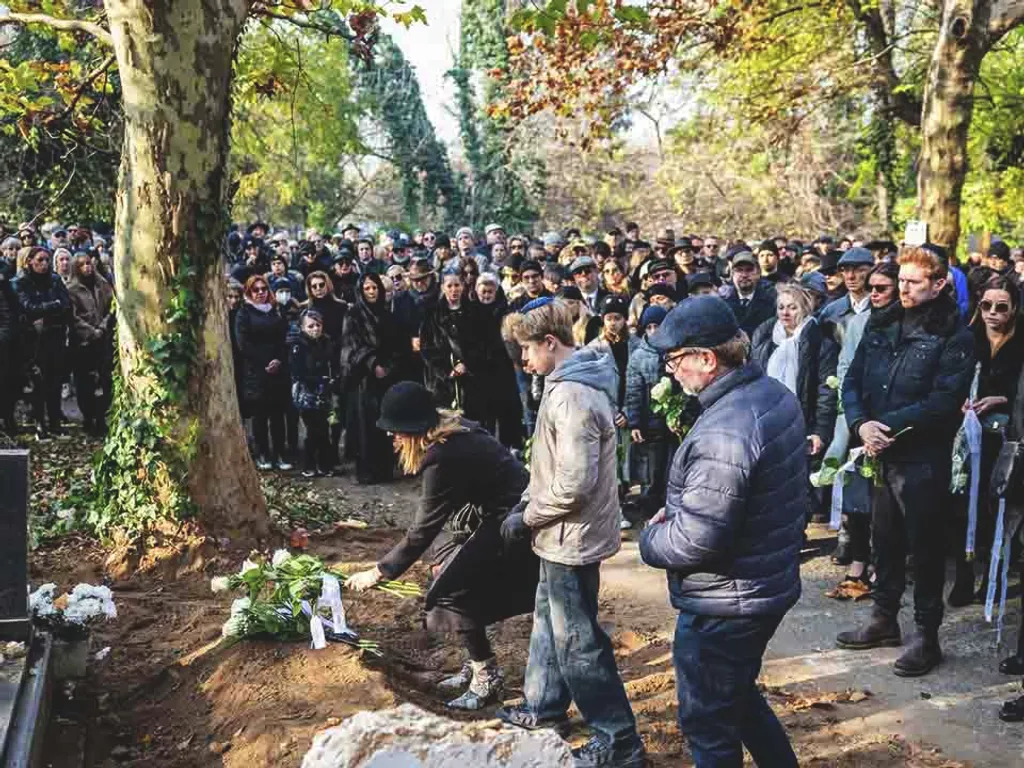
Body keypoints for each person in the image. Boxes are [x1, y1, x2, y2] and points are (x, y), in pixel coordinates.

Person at [639, 295, 804, 768]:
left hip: (726, 603)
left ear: (707, 359)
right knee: (737, 700)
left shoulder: (727, 429)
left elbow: (697, 538)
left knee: (709, 723)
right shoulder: (770, 394)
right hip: (760, 587)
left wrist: (651, 539)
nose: (671, 373)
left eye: (675, 362)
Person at [497, 299, 646, 768]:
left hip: (571, 536)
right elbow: (551, 468)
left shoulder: (572, 396)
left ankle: (618, 740)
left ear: (550, 343)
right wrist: (528, 503)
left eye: (526, 350)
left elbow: (575, 483)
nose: (523, 361)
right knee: (549, 619)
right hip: (559, 531)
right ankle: (544, 707)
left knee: (578, 641)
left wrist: (528, 516)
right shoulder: (564, 385)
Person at [347, 382, 537, 710]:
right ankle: (477, 664)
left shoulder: (442, 457)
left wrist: (379, 571)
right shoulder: (452, 430)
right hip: (494, 513)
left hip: (513, 522)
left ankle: (486, 677)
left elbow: (421, 530)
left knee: (448, 589)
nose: (391, 438)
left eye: (395, 432)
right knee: (444, 565)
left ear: (414, 430)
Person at [836, 246, 975, 677]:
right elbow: (853, 380)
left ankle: (926, 636)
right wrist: (861, 425)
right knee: (885, 540)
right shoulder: (882, 321)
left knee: (926, 547)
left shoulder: (955, 333)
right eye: (902, 279)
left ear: (939, 285)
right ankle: (883, 620)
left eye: (914, 282)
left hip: (922, 457)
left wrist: (885, 426)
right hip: (879, 452)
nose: (904, 288)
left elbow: (944, 401)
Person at [947, 275, 1024, 606]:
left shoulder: (1021, 342)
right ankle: (964, 578)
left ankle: (994, 577)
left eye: (1001, 307)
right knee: (962, 508)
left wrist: (1000, 399)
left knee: (1000, 510)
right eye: (986, 305)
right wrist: (961, 402)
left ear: (1014, 309)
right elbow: (951, 380)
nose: (993, 313)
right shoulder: (968, 338)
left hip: (1007, 438)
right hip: (967, 436)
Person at [827, 262, 900, 585]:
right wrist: (855, 417)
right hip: (859, 420)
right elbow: (845, 369)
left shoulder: (907, 323)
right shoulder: (859, 323)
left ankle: (882, 561)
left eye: (882, 288)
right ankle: (858, 558)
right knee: (857, 492)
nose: (874, 294)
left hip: (892, 423)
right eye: (871, 288)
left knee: (886, 500)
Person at [751, 283, 839, 508]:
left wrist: (819, 431)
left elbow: (825, 392)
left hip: (800, 421)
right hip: (768, 422)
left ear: (805, 309)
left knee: (797, 486)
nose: (785, 313)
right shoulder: (765, 338)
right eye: (781, 307)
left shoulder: (820, 343)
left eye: (793, 307)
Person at [339, 273, 408, 485]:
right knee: (364, 426)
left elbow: (399, 345)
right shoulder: (353, 315)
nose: (371, 292)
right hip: (363, 379)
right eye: (367, 288)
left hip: (387, 378)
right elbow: (351, 347)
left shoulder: (388, 315)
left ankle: (385, 469)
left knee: (385, 424)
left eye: (374, 288)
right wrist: (372, 363)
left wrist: (388, 366)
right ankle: (366, 471)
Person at [236, 275, 292, 470]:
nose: (260, 293)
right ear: (249, 292)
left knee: (278, 416)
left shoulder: (276, 312)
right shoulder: (244, 313)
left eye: (263, 289)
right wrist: (264, 362)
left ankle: (280, 453)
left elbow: (284, 338)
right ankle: (262, 453)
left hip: (278, 370)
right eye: (256, 290)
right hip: (256, 371)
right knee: (260, 416)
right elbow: (243, 343)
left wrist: (278, 360)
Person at [14, 246, 70, 439]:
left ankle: (55, 423)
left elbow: (65, 305)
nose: (44, 264)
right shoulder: (21, 282)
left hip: (55, 335)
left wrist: (47, 309)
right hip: (33, 340)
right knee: (39, 383)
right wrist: (51, 307)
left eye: (47, 260)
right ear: (30, 261)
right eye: (40, 260)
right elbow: (28, 308)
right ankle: (40, 425)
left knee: (55, 381)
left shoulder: (54, 280)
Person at [420, 270, 490, 422]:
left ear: (463, 286)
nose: (454, 290)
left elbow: (483, 344)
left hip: (472, 380)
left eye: (457, 285)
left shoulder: (475, 311)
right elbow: (426, 348)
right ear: (443, 288)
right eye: (449, 285)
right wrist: (446, 370)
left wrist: (467, 364)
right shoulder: (431, 314)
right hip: (442, 383)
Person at [625, 305, 674, 516]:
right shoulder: (638, 356)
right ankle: (650, 512)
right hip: (651, 423)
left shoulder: (674, 349)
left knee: (672, 469)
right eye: (650, 327)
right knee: (652, 472)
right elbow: (634, 391)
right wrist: (635, 422)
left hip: (673, 422)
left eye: (658, 326)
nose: (654, 331)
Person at [66, 254, 115, 436]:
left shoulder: (101, 284)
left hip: (103, 339)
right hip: (83, 343)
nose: (87, 267)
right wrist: (89, 331)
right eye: (82, 265)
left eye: (89, 264)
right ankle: (88, 417)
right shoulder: (71, 289)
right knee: (84, 382)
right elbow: (72, 317)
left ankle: (101, 417)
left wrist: (102, 328)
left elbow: (111, 308)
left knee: (104, 380)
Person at [289, 309, 337, 477]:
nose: (315, 329)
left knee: (324, 428)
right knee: (312, 429)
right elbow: (298, 371)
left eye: (318, 325)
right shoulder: (297, 345)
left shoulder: (327, 342)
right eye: (310, 326)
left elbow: (332, 363)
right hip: (306, 393)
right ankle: (309, 464)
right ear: (303, 328)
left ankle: (325, 464)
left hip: (325, 392)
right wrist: (316, 379)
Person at [722, 250, 777, 337]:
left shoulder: (772, 303)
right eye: (739, 270)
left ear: (758, 273)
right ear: (732, 274)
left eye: (749, 270)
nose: (744, 275)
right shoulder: (722, 303)